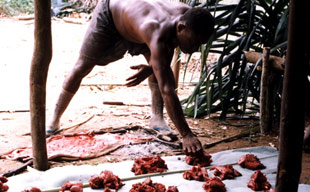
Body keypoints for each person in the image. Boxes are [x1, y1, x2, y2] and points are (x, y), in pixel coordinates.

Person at [46, 0, 215, 155]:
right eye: (193, 42)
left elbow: (163, 59)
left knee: (159, 67)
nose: (194, 49)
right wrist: (186, 135)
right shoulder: (159, 32)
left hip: (139, 24)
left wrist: (152, 68)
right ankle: (54, 118)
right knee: (83, 66)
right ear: (181, 28)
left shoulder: (187, 16)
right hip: (111, 16)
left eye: (199, 44)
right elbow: (167, 89)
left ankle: (157, 116)